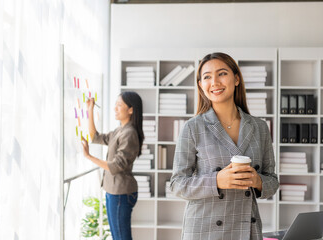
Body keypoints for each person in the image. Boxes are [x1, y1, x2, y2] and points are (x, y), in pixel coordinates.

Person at [170, 52, 279, 240]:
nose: (215, 82)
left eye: (222, 73)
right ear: (201, 86)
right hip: (204, 230)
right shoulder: (192, 128)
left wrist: (257, 181)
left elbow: (273, 181)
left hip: (247, 229)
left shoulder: (259, 127)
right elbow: (177, 184)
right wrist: (217, 181)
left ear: (236, 79)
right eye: (207, 77)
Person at [81, 91, 144, 240]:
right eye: (115, 105)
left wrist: (89, 156)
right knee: (118, 237)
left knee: (121, 238)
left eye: (119, 105)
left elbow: (115, 166)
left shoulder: (129, 133)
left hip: (121, 193)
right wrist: (90, 109)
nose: (115, 108)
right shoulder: (120, 130)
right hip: (113, 191)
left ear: (130, 110)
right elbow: (95, 137)